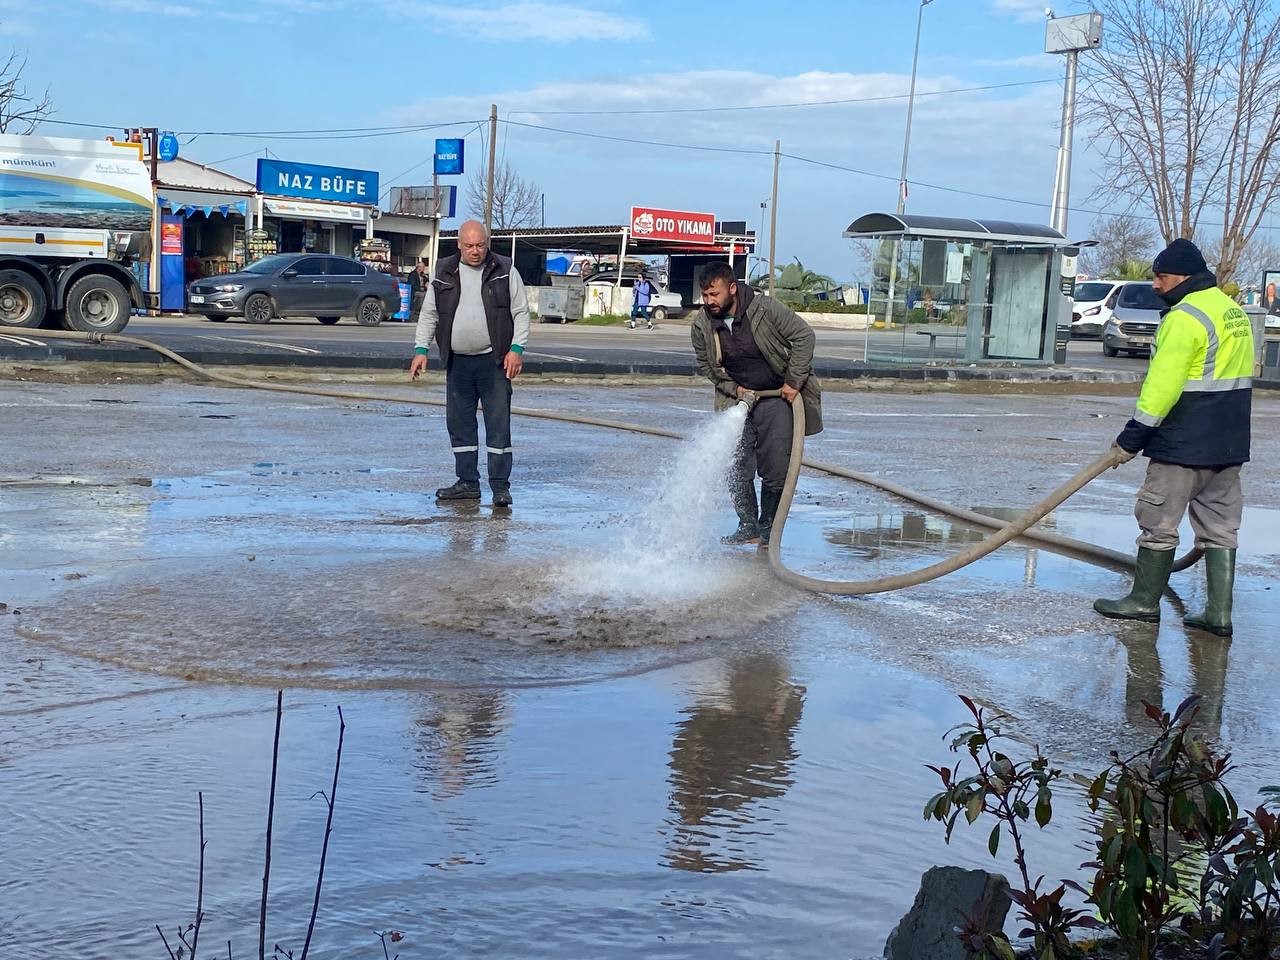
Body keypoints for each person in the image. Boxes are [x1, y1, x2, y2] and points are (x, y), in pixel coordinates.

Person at [1094, 238, 1254, 637]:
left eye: (1161, 276)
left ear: (1183, 276)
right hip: (1228, 441)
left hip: (1183, 440)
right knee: (1220, 527)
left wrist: (1133, 436)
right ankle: (1218, 614)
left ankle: (1144, 602)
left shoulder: (1185, 317)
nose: (1155, 284)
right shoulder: (1230, 311)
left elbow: (1163, 386)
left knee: (1159, 521)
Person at [690, 261, 822, 546]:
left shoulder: (764, 309)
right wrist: (733, 388)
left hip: (776, 395)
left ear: (733, 289)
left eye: (715, 294)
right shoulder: (702, 324)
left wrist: (793, 381)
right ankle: (747, 524)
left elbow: (804, 336)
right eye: (705, 295)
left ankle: (768, 528)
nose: (710, 301)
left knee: (775, 463)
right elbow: (708, 367)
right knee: (735, 464)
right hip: (737, 399)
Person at [409, 220, 530, 508]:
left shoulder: (505, 269)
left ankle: (500, 487)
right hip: (458, 364)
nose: (475, 251)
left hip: (495, 363)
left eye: (481, 245)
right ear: (459, 245)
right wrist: (421, 349)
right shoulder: (444, 272)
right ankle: (467, 483)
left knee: (498, 426)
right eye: (469, 246)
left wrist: (516, 348)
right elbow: (429, 314)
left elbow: (521, 312)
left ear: (487, 243)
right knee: (460, 425)